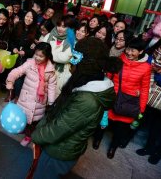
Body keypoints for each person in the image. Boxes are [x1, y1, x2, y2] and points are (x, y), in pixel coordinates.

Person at [30, 37, 122, 179]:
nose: (71, 63)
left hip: (59, 153)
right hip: (56, 147)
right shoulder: (84, 84)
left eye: (75, 58)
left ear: (86, 64)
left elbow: (59, 128)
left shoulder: (87, 100)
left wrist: (35, 136)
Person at [94, 38, 151, 159]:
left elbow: (145, 88)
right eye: (128, 49)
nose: (129, 53)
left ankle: (113, 147)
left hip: (128, 102)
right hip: (112, 97)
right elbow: (108, 77)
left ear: (141, 51)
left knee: (121, 129)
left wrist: (141, 109)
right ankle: (97, 139)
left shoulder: (146, 68)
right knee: (103, 122)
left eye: (133, 51)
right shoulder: (118, 60)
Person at [6, 42, 57, 147]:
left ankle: (28, 136)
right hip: (26, 98)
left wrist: (51, 102)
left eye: (41, 56)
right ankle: (22, 129)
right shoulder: (29, 64)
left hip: (40, 102)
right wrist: (10, 81)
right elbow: (17, 71)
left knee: (33, 122)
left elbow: (52, 87)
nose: (37, 58)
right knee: (23, 117)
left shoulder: (50, 70)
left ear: (47, 56)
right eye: (36, 55)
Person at [44, 16, 73, 95]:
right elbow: (42, 51)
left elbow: (65, 58)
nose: (60, 28)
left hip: (61, 73)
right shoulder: (49, 36)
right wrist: (56, 55)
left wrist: (49, 53)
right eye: (59, 25)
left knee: (54, 96)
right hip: (45, 69)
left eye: (64, 27)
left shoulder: (71, 40)